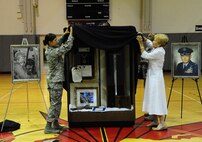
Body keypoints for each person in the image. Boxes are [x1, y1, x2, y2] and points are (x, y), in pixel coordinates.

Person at [43, 26, 74, 134]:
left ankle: (55, 124)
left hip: (55, 80)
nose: (57, 41)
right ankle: (48, 126)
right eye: (54, 40)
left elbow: (59, 43)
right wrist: (71, 35)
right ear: (50, 42)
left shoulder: (51, 48)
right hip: (55, 81)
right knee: (55, 104)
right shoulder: (52, 52)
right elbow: (66, 47)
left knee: (57, 103)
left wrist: (64, 34)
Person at [137, 33, 169, 131]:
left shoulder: (159, 52)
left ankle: (162, 123)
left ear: (159, 44)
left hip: (156, 78)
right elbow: (150, 44)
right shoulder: (157, 48)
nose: (153, 41)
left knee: (156, 98)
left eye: (155, 40)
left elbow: (145, 55)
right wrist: (145, 39)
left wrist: (140, 43)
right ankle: (155, 121)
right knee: (152, 98)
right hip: (152, 76)